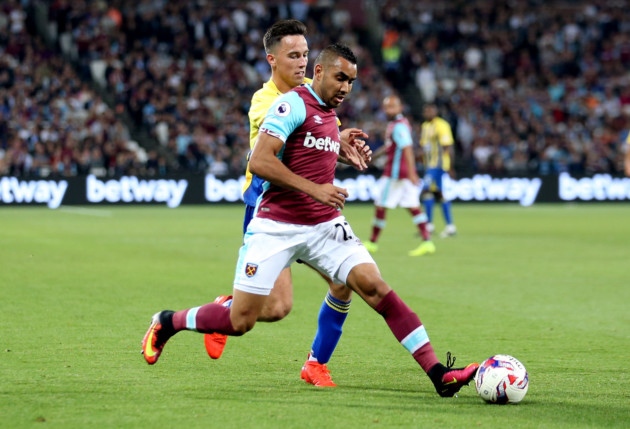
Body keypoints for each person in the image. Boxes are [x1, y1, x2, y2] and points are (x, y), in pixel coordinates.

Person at [142, 43, 479, 398]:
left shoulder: (330, 116)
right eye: (340, 78)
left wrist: (341, 147)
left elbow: (312, 148)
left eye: (351, 81)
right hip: (276, 226)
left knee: (373, 286)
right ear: (317, 72)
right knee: (242, 321)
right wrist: (316, 189)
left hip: (323, 226)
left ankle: (438, 373)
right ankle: (168, 321)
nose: (346, 88)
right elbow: (260, 161)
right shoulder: (290, 104)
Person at [202, 19, 370, 388]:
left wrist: (343, 145)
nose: (302, 62)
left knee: (345, 282)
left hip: (313, 213)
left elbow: (319, 140)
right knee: (277, 308)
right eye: (293, 55)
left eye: (306, 55)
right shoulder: (266, 103)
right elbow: (285, 143)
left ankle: (315, 364)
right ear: (272, 60)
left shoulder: (315, 94)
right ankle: (225, 309)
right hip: (272, 212)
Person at [363, 95, 435, 257]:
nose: (389, 110)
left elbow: (408, 148)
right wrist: (373, 156)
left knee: (381, 205)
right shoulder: (396, 124)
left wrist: (412, 173)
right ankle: (427, 241)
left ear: (400, 108)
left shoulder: (399, 126)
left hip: (395, 174)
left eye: (392, 107)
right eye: (387, 107)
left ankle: (373, 242)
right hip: (403, 174)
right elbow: (390, 147)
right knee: (413, 206)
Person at [419, 104, 457, 238]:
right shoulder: (425, 126)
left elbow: (448, 147)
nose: (427, 112)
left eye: (430, 110)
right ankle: (447, 226)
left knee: (425, 190)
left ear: (435, 111)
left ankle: (430, 225)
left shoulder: (442, 125)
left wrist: (450, 167)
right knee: (436, 194)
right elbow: (425, 148)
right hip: (429, 166)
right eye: (426, 110)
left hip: (438, 166)